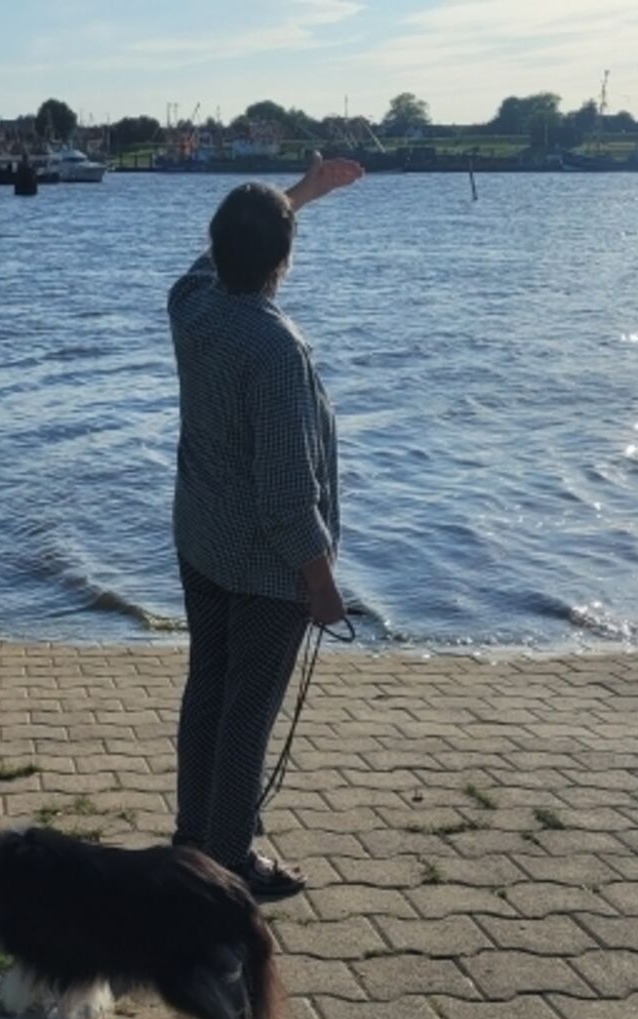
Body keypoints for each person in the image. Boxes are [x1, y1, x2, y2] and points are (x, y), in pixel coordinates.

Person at [167, 152, 364, 900]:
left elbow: (210, 259)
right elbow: (286, 493)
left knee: (207, 692)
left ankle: (193, 840)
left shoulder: (190, 303)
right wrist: (321, 582)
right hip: (261, 564)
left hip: (201, 539)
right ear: (284, 261)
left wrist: (300, 195)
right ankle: (228, 862)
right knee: (246, 714)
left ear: (217, 247)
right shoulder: (277, 349)